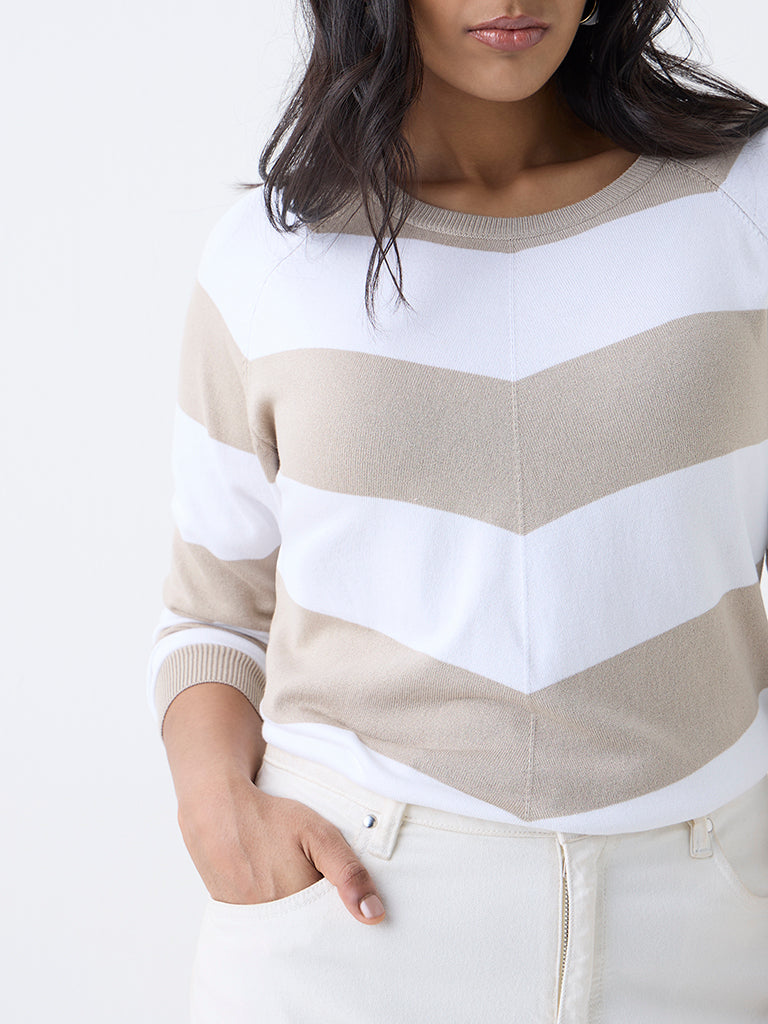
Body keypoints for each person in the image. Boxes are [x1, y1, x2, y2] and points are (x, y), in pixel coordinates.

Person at [147, 1, 768, 1020]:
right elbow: (214, 613)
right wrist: (217, 811)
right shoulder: (273, 255)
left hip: (709, 924)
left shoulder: (742, 202)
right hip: (353, 923)